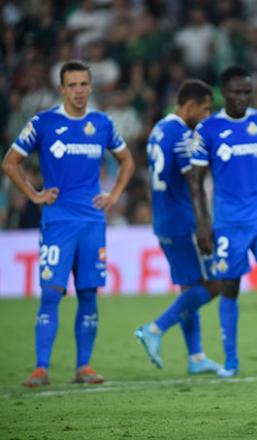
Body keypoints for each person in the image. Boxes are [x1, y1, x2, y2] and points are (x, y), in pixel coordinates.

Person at [2, 60, 135, 387]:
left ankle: (84, 366)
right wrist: (33, 195)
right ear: (61, 89)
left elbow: (127, 160)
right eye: (72, 85)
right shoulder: (44, 123)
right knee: (51, 293)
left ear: (91, 87)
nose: (78, 91)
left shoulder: (102, 124)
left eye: (83, 84)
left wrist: (114, 193)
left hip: (92, 221)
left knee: (88, 293)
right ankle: (41, 367)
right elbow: (10, 162)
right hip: (58, 221)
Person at [190, 66, 257, 377]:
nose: (241, 98)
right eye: (236, 92)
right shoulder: (207, 129)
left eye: (247, 92)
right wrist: (202, 223)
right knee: (229, 288)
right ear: (224, 92)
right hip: (227, 224)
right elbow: (196, 181)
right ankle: (231, 360)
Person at [134, 79, 224, 374]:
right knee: (214, 284)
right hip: (184, 219)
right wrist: (203, 223)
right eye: (205, 109)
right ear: (189, 106)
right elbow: (193, 182)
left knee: (189, 286)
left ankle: (196, 357)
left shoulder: (159, 130)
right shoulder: (183, 136)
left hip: (163, 219)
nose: (207, 116)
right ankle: (155, 329)